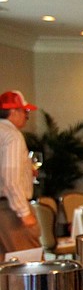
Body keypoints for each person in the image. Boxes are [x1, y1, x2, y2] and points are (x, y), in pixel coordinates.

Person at [0, 90, 40, 257]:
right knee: (27, 264)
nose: (26, 116)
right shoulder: (12, 136)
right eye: (25, 111)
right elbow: (10, 178)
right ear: (13, 111)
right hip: (10, 210)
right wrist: (24, 213)